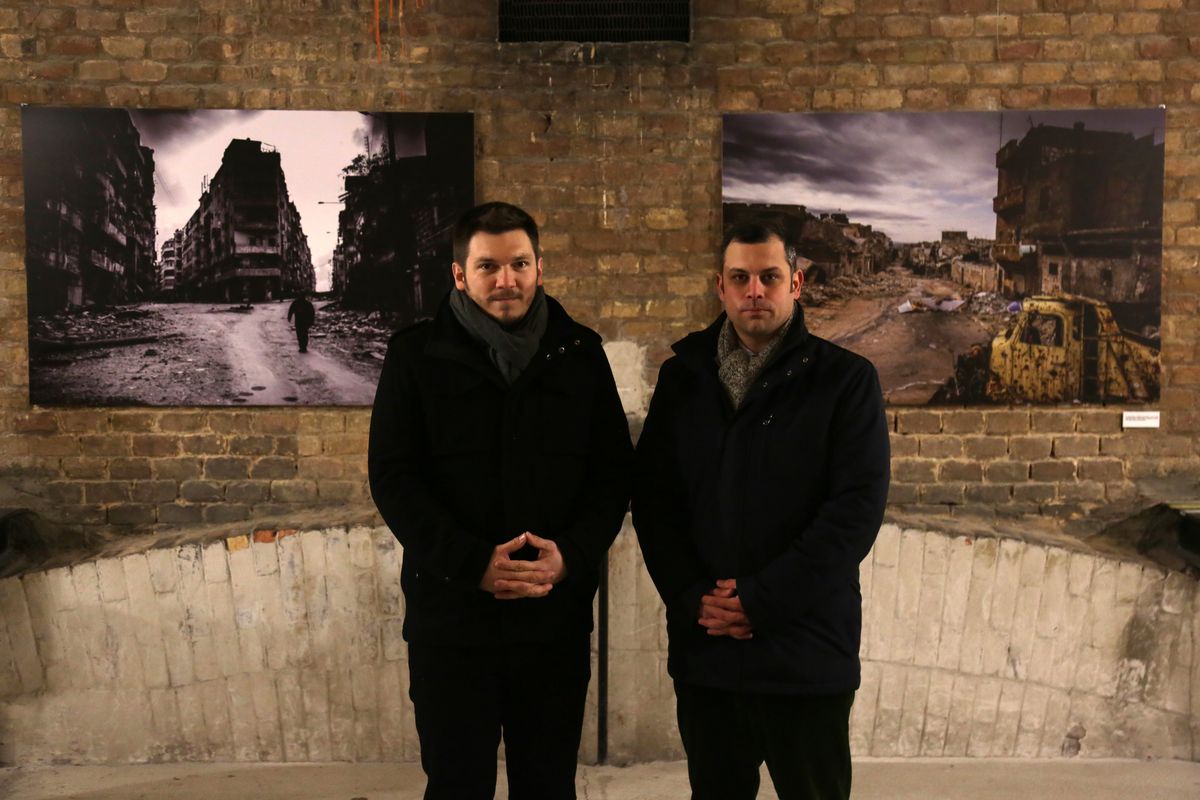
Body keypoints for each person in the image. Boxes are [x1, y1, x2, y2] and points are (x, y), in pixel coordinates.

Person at [368, 202, 632, 800]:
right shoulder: (414, 356)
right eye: (488, 266)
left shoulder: (580, 353)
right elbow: (393, 477)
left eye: (519, 264)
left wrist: (571, 556)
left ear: (540, 267)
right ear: (460, 275)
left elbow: (613, 473)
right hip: (451, 621)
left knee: (548, 785)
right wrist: (472, 564)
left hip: (553, 619)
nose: (505, 279)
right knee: (457, 783)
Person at [632, 216, 890, 800]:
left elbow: (853, 512)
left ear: (795, 284)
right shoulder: (683, 379)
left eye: (769, 277)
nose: (755, 291)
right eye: (740, 278)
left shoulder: (846, 381)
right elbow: (654, 501)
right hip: (709, 651)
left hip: (806, 652)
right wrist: (693, 596)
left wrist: (761, 600)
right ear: (719, 287)